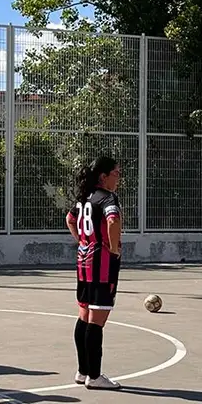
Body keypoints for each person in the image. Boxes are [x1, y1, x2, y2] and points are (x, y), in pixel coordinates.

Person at [65, 156, 123, 390]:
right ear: (103, 176)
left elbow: (70, 219)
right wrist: (114, 247)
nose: (118, 178)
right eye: (116, 173)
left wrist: (83, 241)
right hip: (102, 265)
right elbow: (113, 220)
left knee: (84, 315)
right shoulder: (107, 198)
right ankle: (95, 376)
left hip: (83, 262)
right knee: (96, 321)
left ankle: (83, 371)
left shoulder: (84, 199)